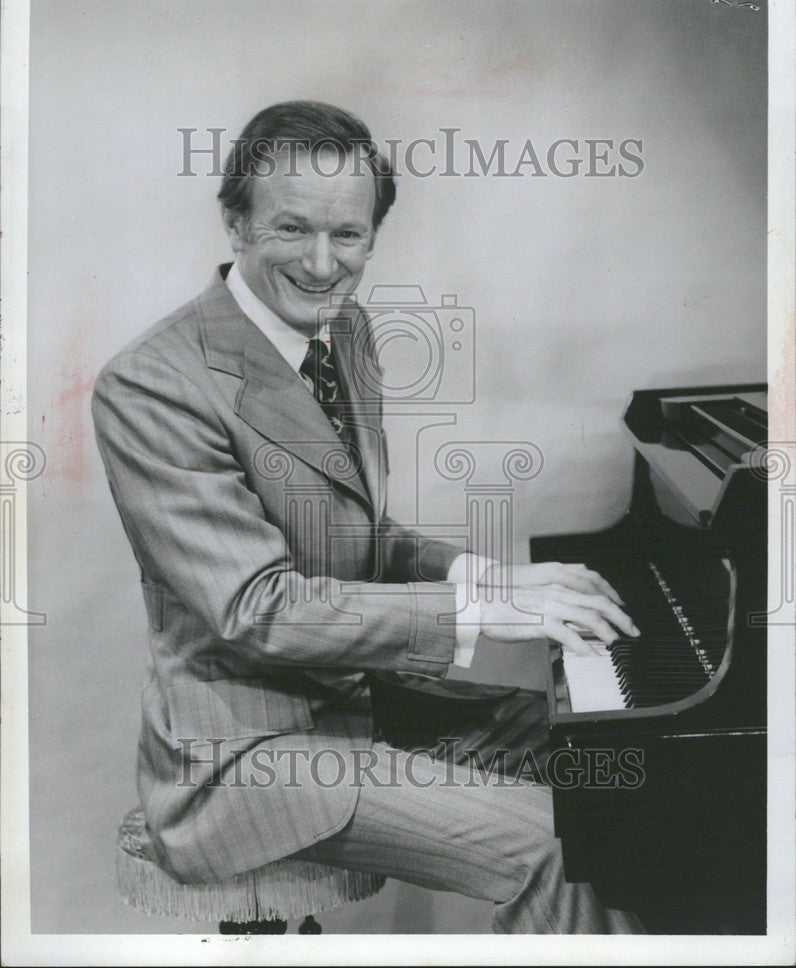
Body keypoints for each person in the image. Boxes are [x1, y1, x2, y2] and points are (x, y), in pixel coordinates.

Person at [92, 100, 643, 933]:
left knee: (628, 769)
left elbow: (354, 537)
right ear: (235, 224)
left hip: (364, 702)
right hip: (242, 755)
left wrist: (488, 575)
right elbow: (257, 607)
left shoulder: (346, 335)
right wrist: (484, 609)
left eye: (347, 235)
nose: (322, 265)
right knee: (563, 845)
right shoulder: (151, 384)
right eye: (291, 230)